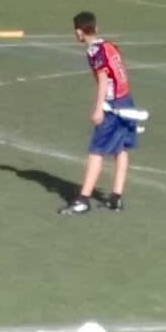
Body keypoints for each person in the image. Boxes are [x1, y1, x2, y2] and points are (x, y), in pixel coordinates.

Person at [59, 11, 144, 215]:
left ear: (79, 32)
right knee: (121, 148)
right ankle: (116, 197)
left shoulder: (94, 51)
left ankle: (83, 199)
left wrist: (99, 108)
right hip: (126, 100)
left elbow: (104, 79)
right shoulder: (110, 45)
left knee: (96, 151)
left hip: (112, 105)